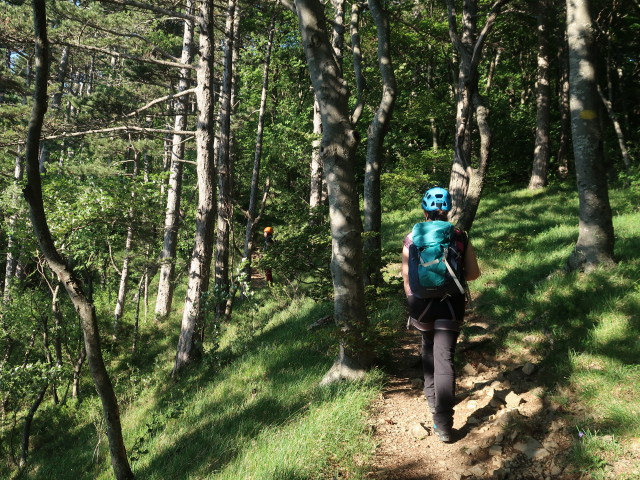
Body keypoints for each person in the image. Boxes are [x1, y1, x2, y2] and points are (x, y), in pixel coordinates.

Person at [401, 187, 481, 443]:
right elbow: (472, 274)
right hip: (451, 305)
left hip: (421, 305)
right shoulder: (459, 236)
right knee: (444, 360)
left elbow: (406, 278)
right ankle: (443, 423)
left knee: (428, 353)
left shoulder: (411, 237)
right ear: (448, 210)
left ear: (424, 209)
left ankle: (433, 406)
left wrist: (414, 303)